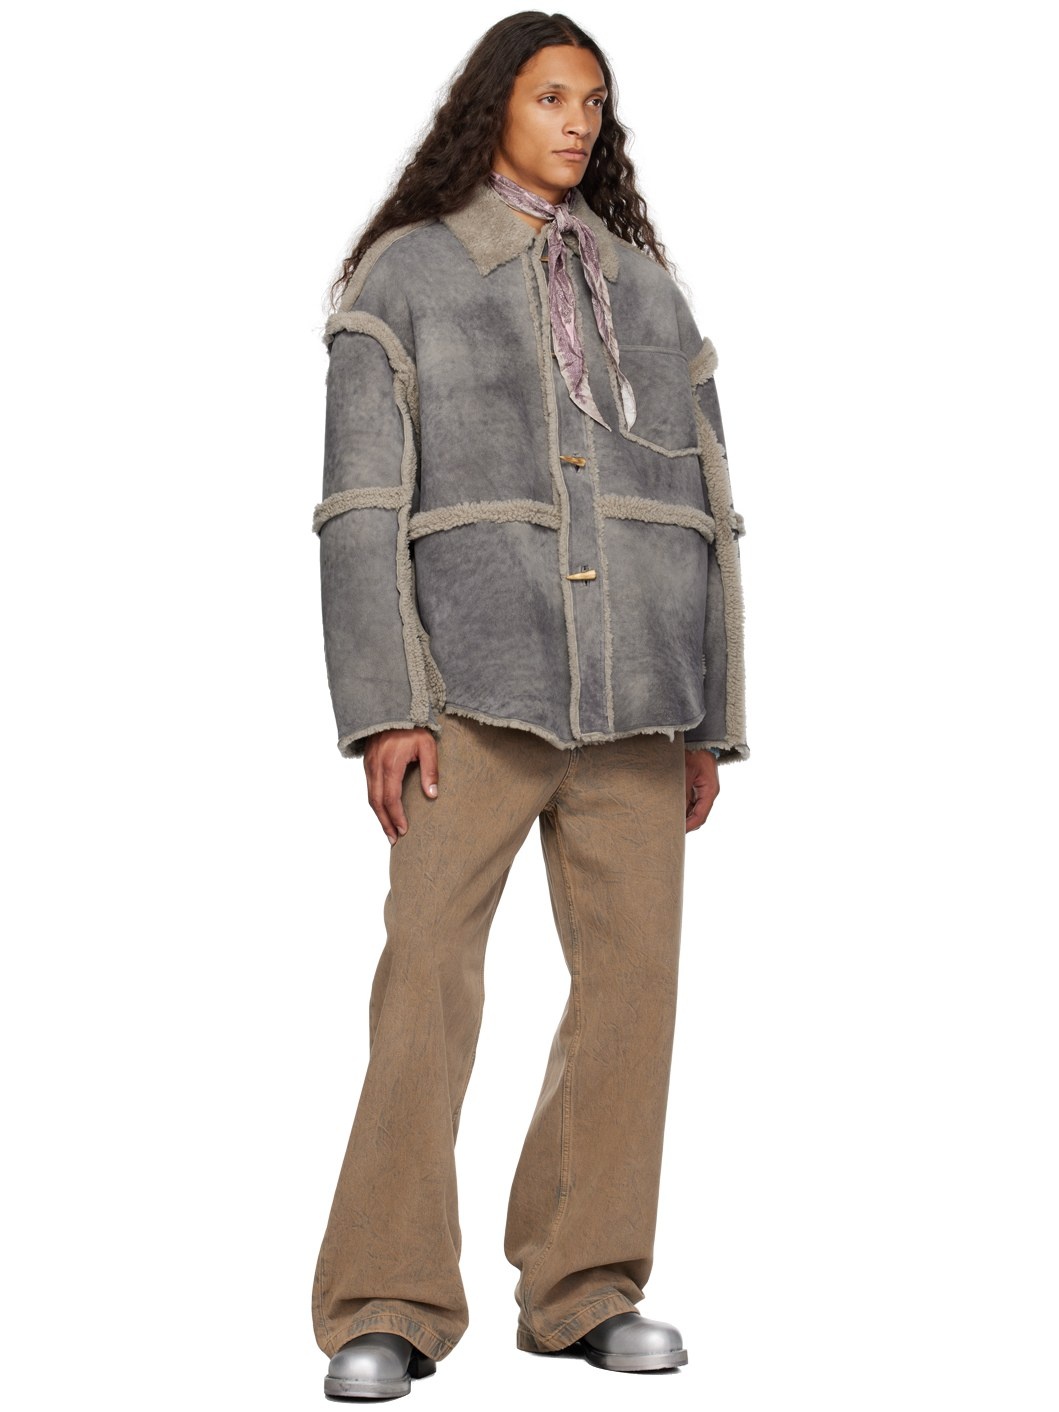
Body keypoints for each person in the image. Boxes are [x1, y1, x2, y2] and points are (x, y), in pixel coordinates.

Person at [310, 10, 749, 1400]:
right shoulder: (411, 272)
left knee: (630, 997)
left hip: (639, 703)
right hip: (471, 690)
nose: (577, 122)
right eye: (553, 96)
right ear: (494, 104)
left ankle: (585, 1285)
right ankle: (387, 1297)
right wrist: (388, 702)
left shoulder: (648, 293)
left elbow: (710, 511)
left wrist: (708, 715)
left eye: (594, 102)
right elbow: (361, 504)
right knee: (425, 990)